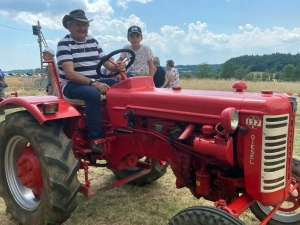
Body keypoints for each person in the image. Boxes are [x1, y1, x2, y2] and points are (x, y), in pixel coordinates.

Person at [56, 9, 126, 153]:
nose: (83, 28)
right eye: (78, 24)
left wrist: (118, 67)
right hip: (72, 85)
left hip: (95, 81)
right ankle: (95, 138)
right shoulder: (64, 44)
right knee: (92, 93)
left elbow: (106, 64)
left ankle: (124, 130)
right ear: (69, 26)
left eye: (85, 25)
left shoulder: (93, 41)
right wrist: (94, 82)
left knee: (126, 86)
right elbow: (70, 73)